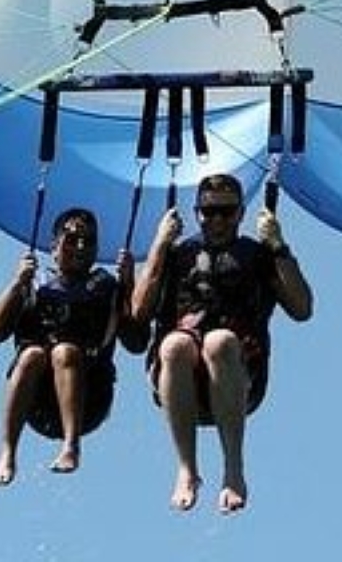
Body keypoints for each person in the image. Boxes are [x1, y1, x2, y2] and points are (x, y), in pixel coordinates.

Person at [131, 173, 314, 514]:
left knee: (219, 341)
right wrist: (159, 244)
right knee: (174, 346)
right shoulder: (178, 253)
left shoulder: (257, 255)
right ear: (197, 213)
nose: (217, 220)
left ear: (241, 213)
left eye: (226, 212)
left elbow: (302, 308)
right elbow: (138, 311)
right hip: (179, 373)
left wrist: (278, 245)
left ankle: (233, 469)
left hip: (238, 374)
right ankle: (187, 469)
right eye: (209, 212)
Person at [0, 207, 135, 485]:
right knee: (31, 355)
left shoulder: (106, 287)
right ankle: (7, 452)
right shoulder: (34, 284)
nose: (80, 247)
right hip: (37, 402)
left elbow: (136, 342)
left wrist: (128, 285)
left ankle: (71, 447)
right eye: (71, 239)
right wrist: (17, 284)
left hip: (90, 400)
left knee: (65, 352)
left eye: (88, 241)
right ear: (54, 246)